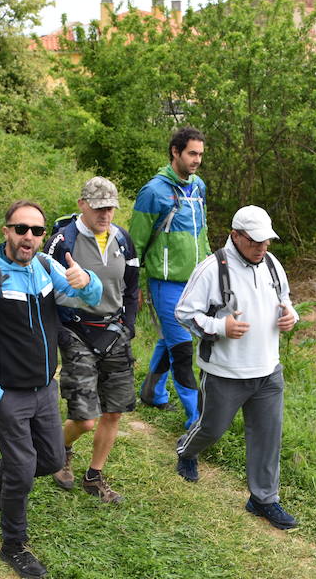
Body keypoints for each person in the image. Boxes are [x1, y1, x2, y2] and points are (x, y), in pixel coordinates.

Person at [0, 200, 102, 579]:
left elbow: (89, 296)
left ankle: (1, 472)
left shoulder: (43, 267)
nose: (29, 237)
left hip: (43, 388)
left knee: (53, 460)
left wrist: (86, 281)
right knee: (24, 469)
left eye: (37, 231)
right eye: (21, 229)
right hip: (7, 393)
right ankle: (13, 544)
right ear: (6, 230)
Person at [173, 205, 299, 531]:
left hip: (268, 370)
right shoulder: (212, 269)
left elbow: (286, 301)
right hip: (225, 372)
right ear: (236, 235)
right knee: (212, 428)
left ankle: (263, 499)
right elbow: (184, 313)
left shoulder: (271, 264)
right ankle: (187, 451)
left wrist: (291, 316)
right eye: (256, 241)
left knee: (268, 437)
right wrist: (220, 327)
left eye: (266, 240)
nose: (263, 247)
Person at [44, 177, 140, 504]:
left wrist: (128, 325)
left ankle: (94, 476)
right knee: (85, 419)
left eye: (110, 207)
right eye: (99, 207)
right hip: (75, 330)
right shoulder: (62, 241)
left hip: (113, 331)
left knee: (113, 412)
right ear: (82, 204)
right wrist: (56, 331)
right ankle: (60, 450)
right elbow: (44, 290)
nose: (105, 214)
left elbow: (132, 285)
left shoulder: (122, 239)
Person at [129, 127, 210, 429]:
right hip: (164, 284)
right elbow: (134, 244)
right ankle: (196, 420)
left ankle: (152, 391)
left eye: (200, 154)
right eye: (192, 153)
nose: (197, 160)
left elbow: (202, 233)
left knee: (169, 339)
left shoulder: (198, 187)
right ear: (175, 152)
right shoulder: (153, 192)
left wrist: (212, 270)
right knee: (182, 348)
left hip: (195, 282)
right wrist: (134, 284)